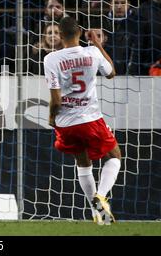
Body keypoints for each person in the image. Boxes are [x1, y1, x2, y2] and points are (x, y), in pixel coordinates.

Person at [43, 17, 122, 225]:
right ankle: (101, 195)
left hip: (66, 123)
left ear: (60, 36)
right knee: (114, 155)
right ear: (80, 33)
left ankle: (98, 213)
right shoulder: (92, 52)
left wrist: (52, 118)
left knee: (82, 162)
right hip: (90, 117)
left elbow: (56, 99)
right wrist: (97, 44)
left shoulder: (51, 59)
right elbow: (111, 73)